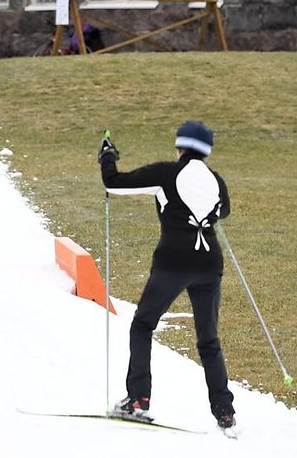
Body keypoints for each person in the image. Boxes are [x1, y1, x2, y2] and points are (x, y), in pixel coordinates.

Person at [101, 121, 236, 433]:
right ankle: (224, 411)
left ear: (181, 146)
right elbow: (223, 211)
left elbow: (114, 183)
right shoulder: (216, 180)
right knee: (209, 340)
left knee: (143, 325)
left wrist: (107, 156)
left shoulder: (166, 173)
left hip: (173, 263)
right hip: (209, 266)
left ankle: (137, 400)